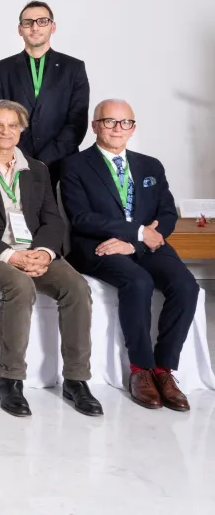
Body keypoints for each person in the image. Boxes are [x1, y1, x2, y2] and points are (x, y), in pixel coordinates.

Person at [0, 100, 102, 417]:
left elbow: (52, 220)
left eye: (13, 125)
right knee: (20, 285)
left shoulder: (37, 169)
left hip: (33, 250)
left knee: (76, 286)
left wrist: (43, 252)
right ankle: (11, 380)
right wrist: (10, 255)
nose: (6, 131)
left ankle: (76, 379)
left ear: (22, 130)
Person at [60, 99, 199, 412]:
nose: (117, 128)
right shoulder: (74, 165)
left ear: (133, 128)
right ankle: (141, 369)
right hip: (98, 245)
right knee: (138, 282)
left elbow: (167, 214)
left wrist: (136, 243)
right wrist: (135, 233)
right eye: (109, 121)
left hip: (146, 245)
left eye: (125, 122)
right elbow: (81, 217)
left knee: (186, 286)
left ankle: (164, 369)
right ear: (95, 126)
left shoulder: (151, 166)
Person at [0, 1, 89, 185]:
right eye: (28, 22)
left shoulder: (73, 68)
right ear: (20, 29)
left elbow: (77, 123)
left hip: (62, 163)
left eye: (42, 21)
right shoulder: (1, 70)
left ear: (53, 27)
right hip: (14, 162)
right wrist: (23, 159)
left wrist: (44, 159)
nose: (35, 27)